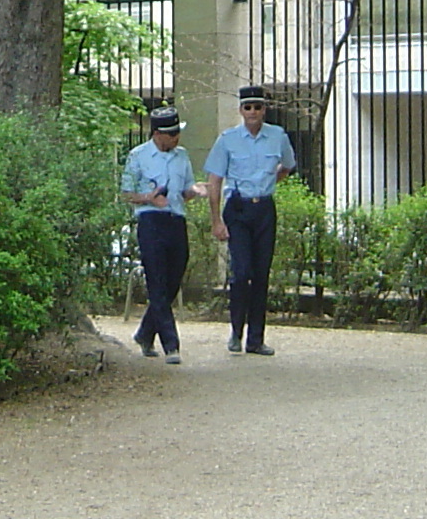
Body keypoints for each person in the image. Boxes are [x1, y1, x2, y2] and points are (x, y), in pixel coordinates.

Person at [206, 85, 296, 357]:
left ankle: (256, 339)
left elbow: (288, 166)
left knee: (260, 274)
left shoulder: (277, 136)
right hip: (238, 209)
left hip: (264, 209)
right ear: (241, 110)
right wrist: (216, 220)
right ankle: (236, 330)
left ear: (264, 110)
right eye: (248, 107)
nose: (253, 112)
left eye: (258, 107)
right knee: (241, 272)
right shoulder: (228, 139)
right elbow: (214, 180)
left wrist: (268, 183)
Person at [120, 108, 199, 364]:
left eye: (177, 132)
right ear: (157, 134)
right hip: (151, 220)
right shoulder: (138, 156)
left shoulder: (181, 157)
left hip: (176, 219)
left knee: (173, 279)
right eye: (171, 134)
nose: (176, 138)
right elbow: (126, 193)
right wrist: (148, 199)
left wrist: (196, 191)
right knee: (157, 279)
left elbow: (185, 190)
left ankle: (145, 333)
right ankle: (171, 344)